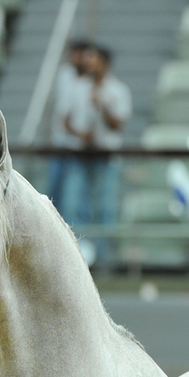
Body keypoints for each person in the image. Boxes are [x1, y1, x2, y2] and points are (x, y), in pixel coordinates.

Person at [61, 44, 132, 270]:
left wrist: (103, 106)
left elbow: (118, 124)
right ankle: (77, 258)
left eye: (94, 61)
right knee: (74, 205)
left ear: (105, 64)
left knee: (105, 208)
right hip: (81, 154)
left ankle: (103, 259)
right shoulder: (77, 88)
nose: (89, 65)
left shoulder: (118, 91)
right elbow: (65, 121)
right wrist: (82, 134)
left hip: (106, 156)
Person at [47, 40, 90, 221]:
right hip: (59, 144)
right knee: (52, 194)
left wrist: (75, 130)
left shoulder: (90, 82)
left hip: (78, 147)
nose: (74, 58)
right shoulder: (64, 75)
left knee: (73, 198)